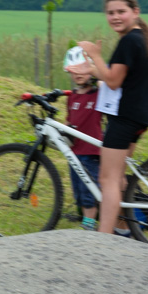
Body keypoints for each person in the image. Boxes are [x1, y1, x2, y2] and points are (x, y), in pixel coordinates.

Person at [67, 0, 148, 235]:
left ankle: (103, 241)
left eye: (121, 12)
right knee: (119, 176)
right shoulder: (142, 38)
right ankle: (124, 228)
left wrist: (94, 55)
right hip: (140, 116)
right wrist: (94, 69)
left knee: (108, 179)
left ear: (135, 12)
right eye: (110, 13)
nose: (115, 17)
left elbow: (113, 82)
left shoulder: (129, 41)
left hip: (124, 118)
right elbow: (121, 77)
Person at [62, 46, 101, 231]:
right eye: (74, 71)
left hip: (91, 151)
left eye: (82, 70)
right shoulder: (71, 98)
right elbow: (71, 121)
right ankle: (87, 221)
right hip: (75, 151)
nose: (78, 75)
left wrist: (94, 66)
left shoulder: (98, 94)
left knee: (89, 192)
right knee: (78, 191)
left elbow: (107, 81)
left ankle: (89, 225)